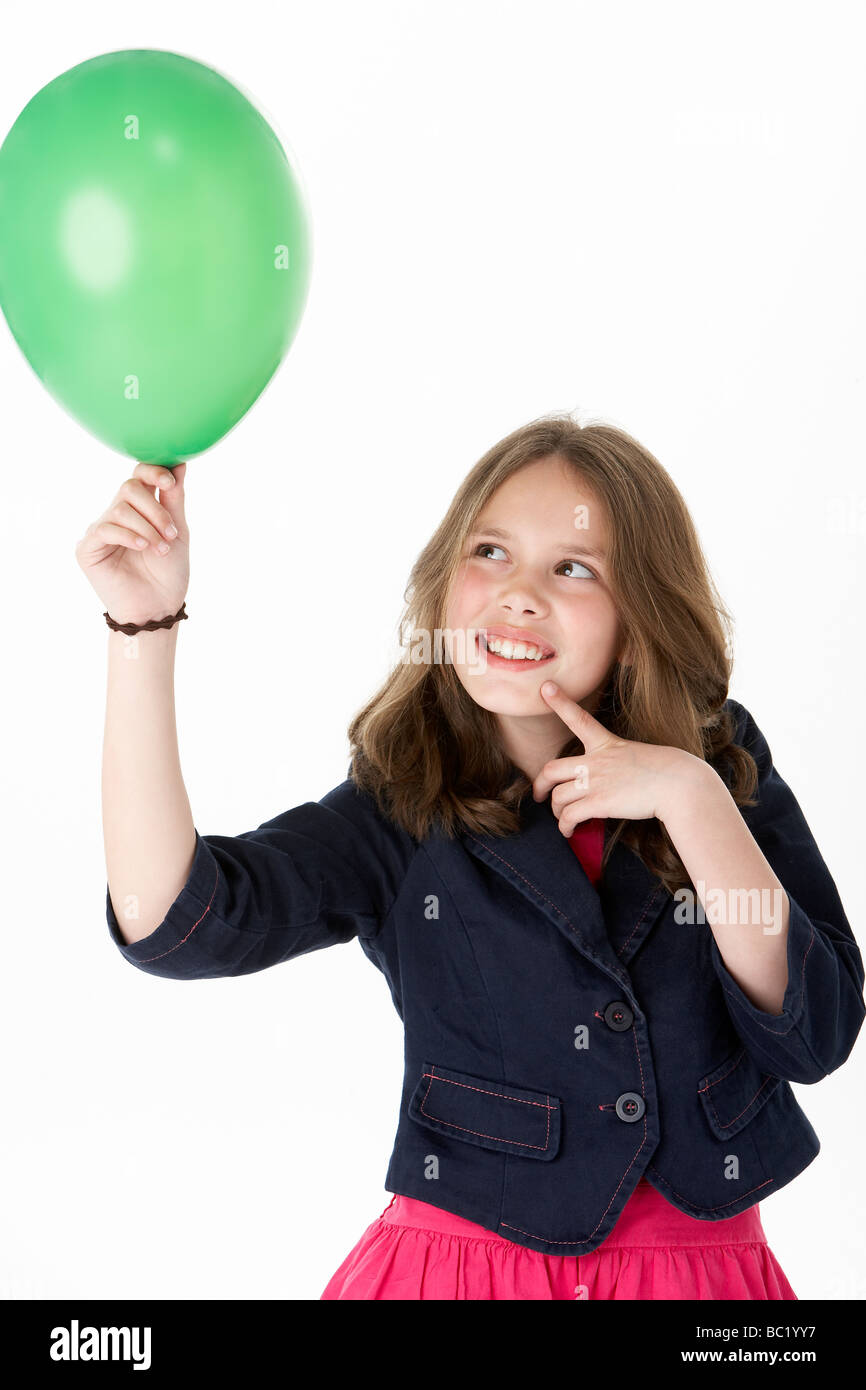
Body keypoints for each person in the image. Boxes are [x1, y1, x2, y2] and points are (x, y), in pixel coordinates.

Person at [78, 413, 865, 1300]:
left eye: (572, 568)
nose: (517, 593)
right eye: (490, 553)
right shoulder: (403, 803)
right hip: (458, 1277)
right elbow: (176, 924)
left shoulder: (718, 765)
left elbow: (817, 1032)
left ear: (642, 607)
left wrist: (692, 799)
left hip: (702, 1287)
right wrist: (140, 628)